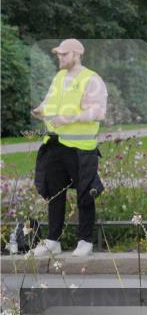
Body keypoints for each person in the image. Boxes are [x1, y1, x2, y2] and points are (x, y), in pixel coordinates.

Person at [30, 39, 107, 258]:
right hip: (55, 144)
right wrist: (41, 110)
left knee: (85, 194)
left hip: (80, 147)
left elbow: (98, 112)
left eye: (64, 54)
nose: (60, 58)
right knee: (55, 194)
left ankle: (85, 240)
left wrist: (68, 118)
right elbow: (49, 102)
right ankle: (53, 240)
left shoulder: (91, 79)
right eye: (58, 54)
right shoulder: (59, 77)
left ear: (77, 54)